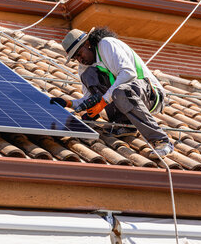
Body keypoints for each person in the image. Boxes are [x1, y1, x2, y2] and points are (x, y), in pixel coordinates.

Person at [50, 27, 174, 158]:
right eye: (76, 58)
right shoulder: (84, 68)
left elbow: (128, 73)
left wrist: (104, 101)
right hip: (124, 98)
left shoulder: (106, 44)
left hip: (150, 94)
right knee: (89, 75)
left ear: (87, 44)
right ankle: (125, 123)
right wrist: (69, 103)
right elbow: (89, 99)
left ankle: (161, 140)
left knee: (121, 91)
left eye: (80, 54)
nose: (80, 60)